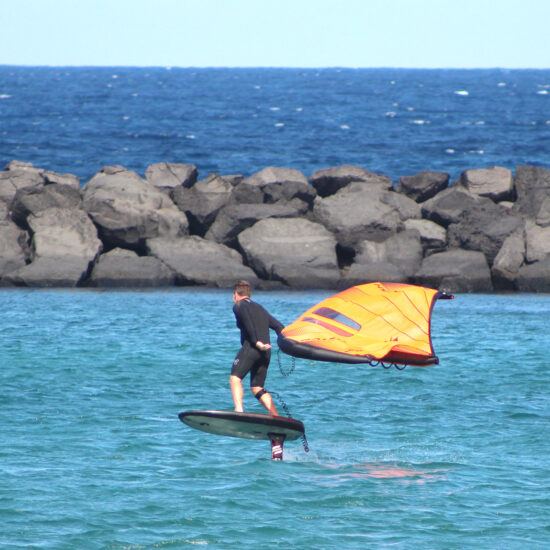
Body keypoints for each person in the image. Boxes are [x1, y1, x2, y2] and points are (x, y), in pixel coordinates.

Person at [230, 280, 284, 418]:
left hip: (253, 347)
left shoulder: (239, 306)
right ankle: (276, 417)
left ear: (236, 294)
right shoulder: (260, 308)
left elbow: (249, 324)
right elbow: (278, 326)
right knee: (257, 388)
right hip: (266, 352)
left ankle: (239, 410)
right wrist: (288, 342)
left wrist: (257, 342)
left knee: (235, 378)